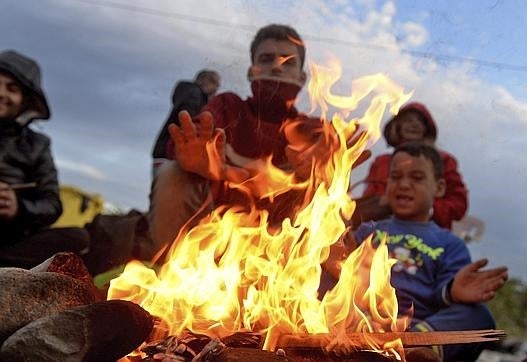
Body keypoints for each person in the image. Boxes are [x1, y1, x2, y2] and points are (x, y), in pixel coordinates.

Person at [147, 24, 352, 253]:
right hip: (210, 237)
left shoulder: (313, 130)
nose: (276, 67)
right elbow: (183, 142)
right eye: (266, 59)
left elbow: (332, 197)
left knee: (330, 194)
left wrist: (330, 169)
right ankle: (169, 271)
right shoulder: (228, 106)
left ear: (302, 78)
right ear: (251, 71)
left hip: (279, 248)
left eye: (288, 61)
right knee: (173, 174)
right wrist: (198, 158)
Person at [323, 143, 507, 362]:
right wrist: (334, 256)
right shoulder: (370, 230)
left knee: (478, 316)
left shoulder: (449, 243)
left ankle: (414, 347)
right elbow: (343, 270)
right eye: (396, 176)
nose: (404, 184)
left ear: (439, 188)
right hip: (363, 320)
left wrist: (452, 291)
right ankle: (337, 339)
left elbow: (447, 294)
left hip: (418, 326)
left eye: (417, 177)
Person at [0, 50, 89, 268]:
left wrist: (17, 208)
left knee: (78, 238)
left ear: (25, 101)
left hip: (10, 241)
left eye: (12, 89)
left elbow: (51, 204)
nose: (1, 93)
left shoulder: (38, 145)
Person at [355, 102, 467, 230]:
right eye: (408, 120)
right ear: (397, 126)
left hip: (428, 241)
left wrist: (422, 208)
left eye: (421, 122)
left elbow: (459, 205)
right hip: (380, 239)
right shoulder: (381, 162)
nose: (415, 124)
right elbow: (370, 200)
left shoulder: (444, 160)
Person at [151, 69, 220, 171]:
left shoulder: (187, 93)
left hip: (163, 153)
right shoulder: (195, 96)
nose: (216, 88)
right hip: (172, 155)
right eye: (214, 83)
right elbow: (188, 121)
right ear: (202, 80)